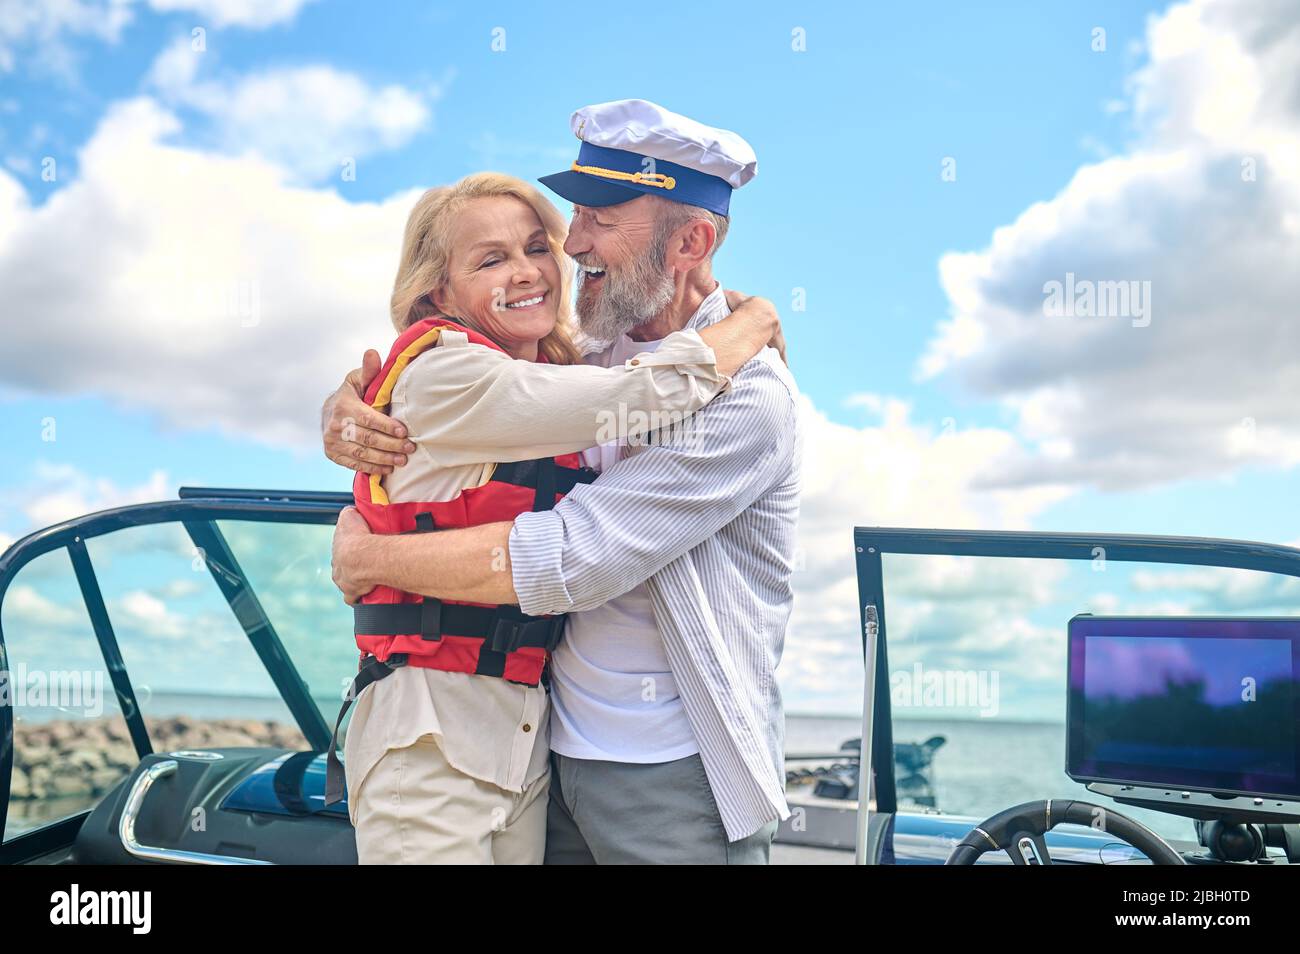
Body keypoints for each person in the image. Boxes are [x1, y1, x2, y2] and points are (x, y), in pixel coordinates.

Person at [328, 100, 802, 863]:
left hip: (670, 776)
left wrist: (369, 560)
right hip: (543, 754)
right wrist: (347, 407)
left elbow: (573, 558)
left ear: (692, 240)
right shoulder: (581, 358)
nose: (571, 244)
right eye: (574, 217)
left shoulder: (749, 398)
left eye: (601, 219)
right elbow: (460, 405)